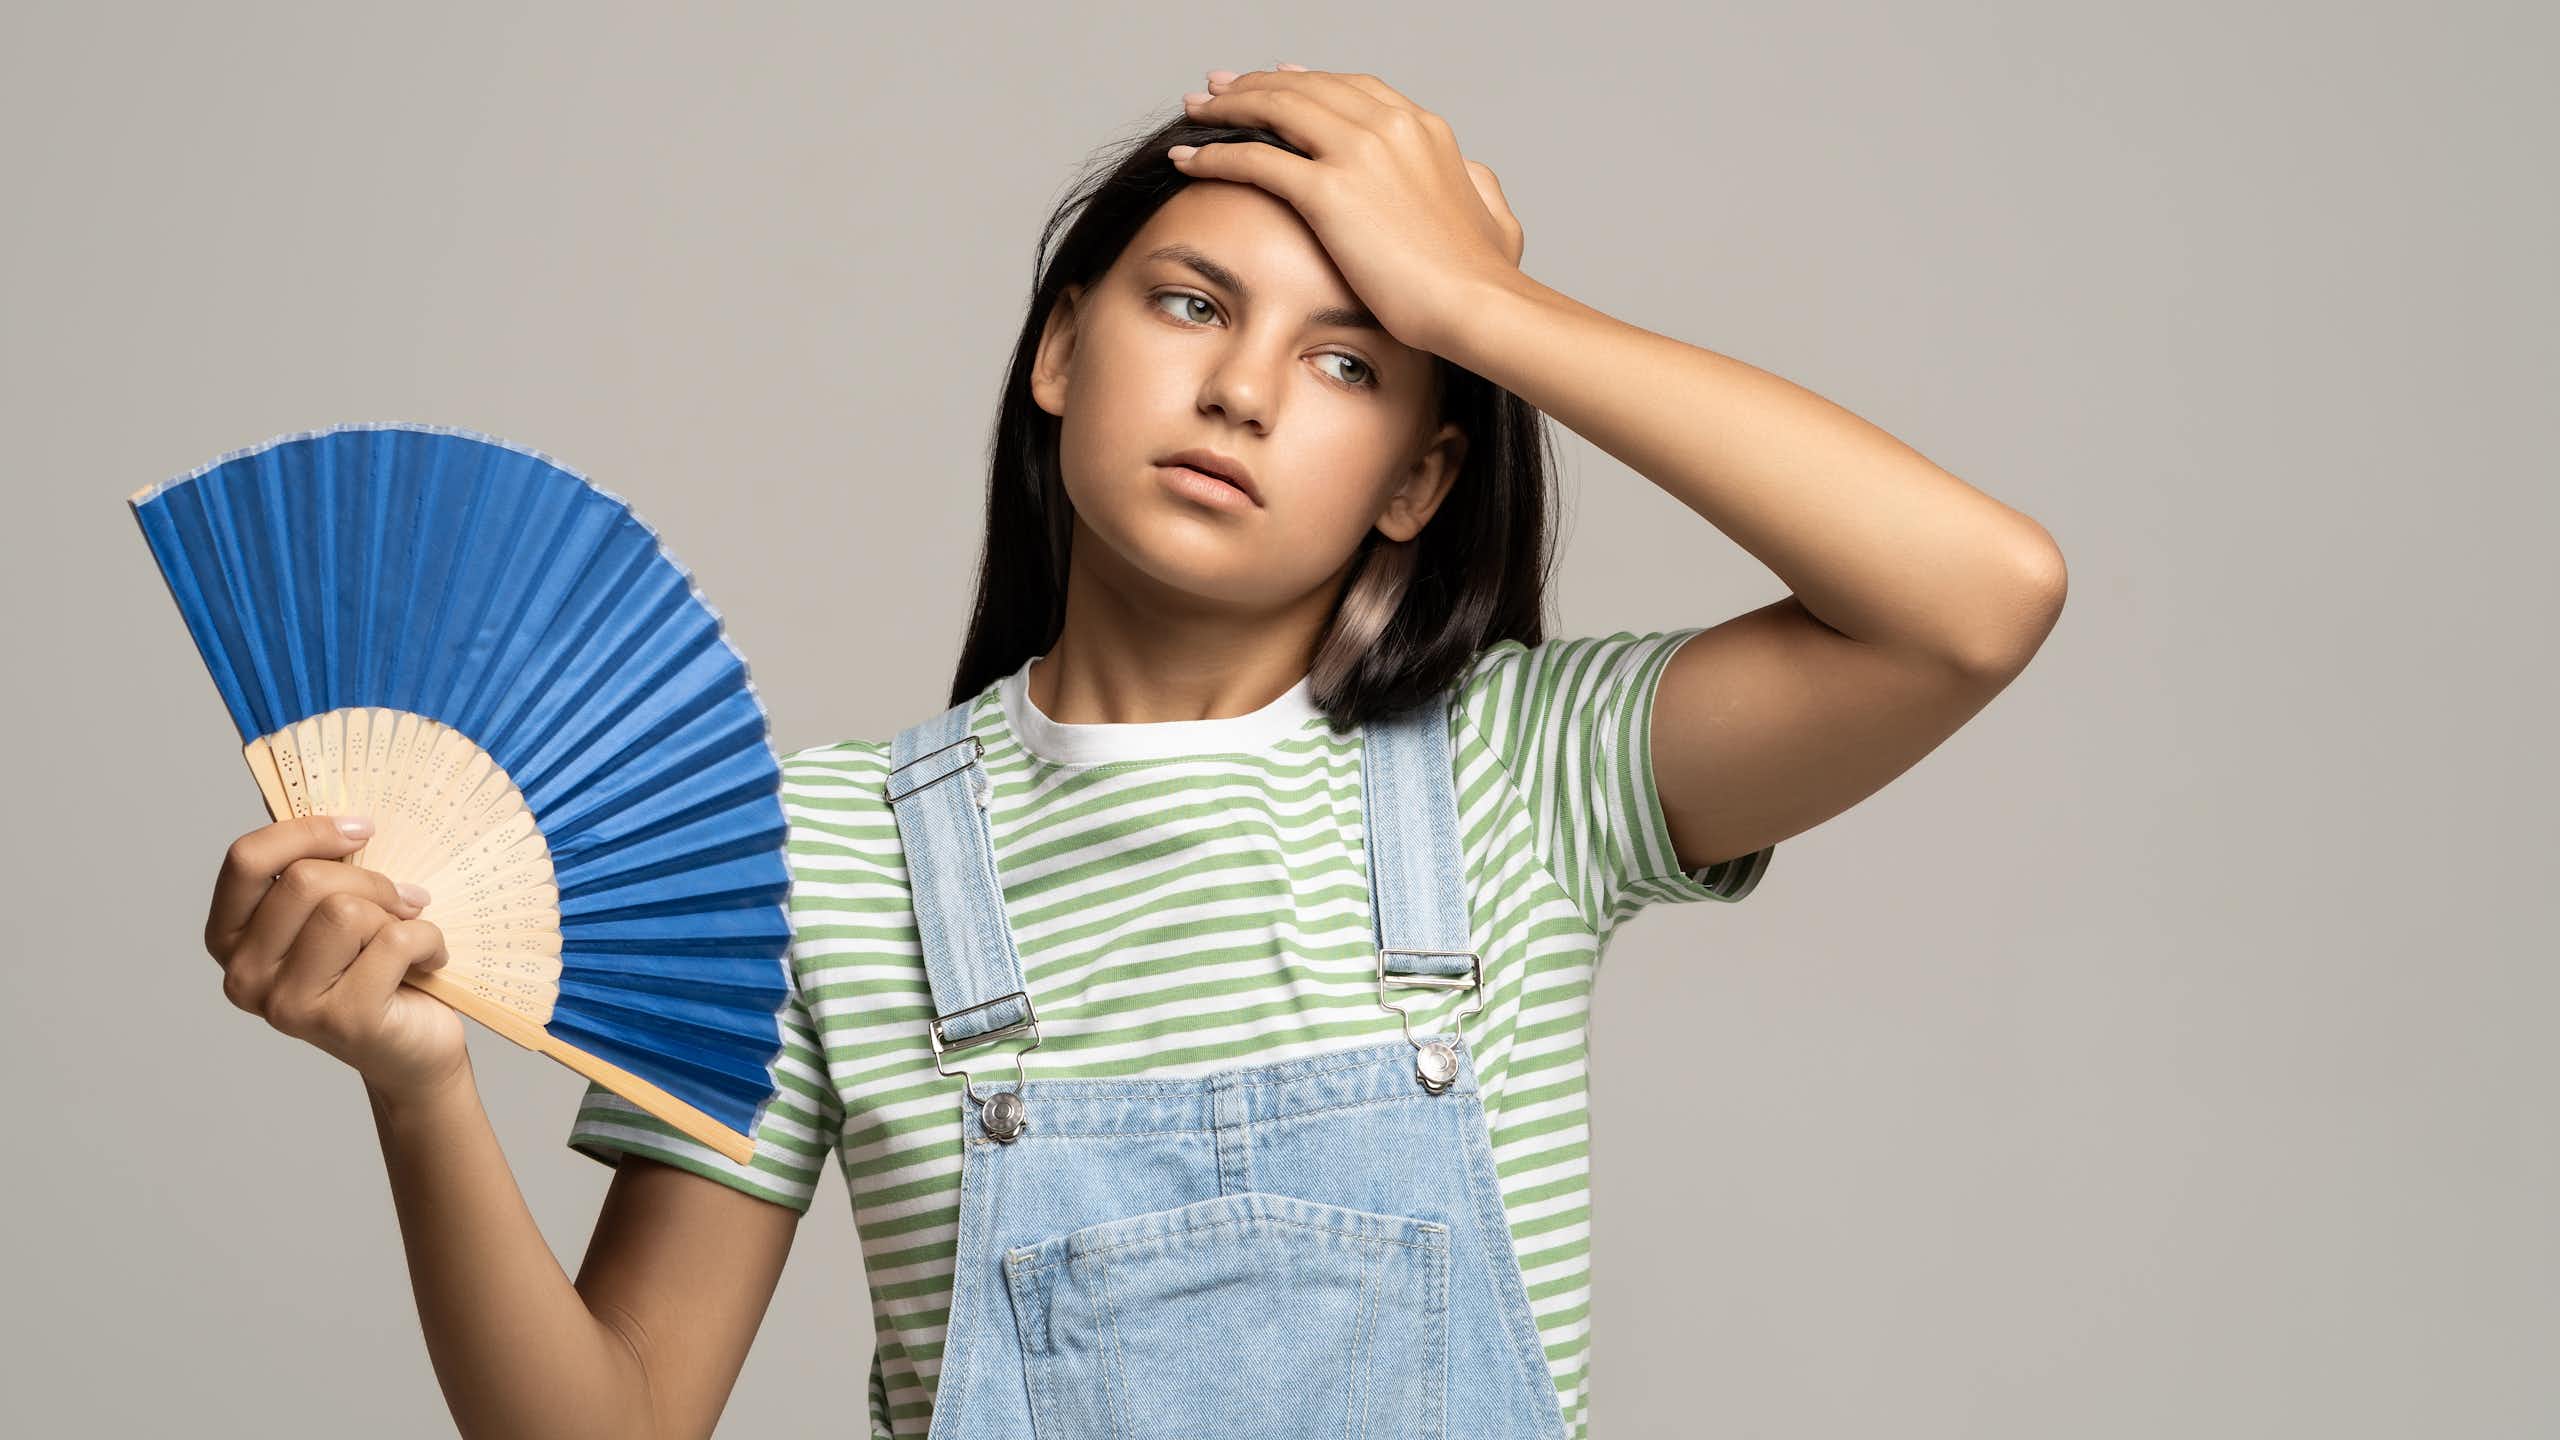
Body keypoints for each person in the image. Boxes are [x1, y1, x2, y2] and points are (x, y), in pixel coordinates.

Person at [201, 64, 2066, 1440]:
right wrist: (420, 1086)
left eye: (1354, 360)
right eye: (1191, 304)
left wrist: (1487, 308)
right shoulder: (824, 858)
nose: (1247, 388)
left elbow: (1975, 598)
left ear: (1426, 476)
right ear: (1060, 352)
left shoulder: (1523, 773)